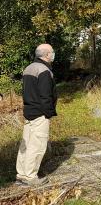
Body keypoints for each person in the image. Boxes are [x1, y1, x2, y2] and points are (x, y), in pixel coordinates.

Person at [15, 44, 57, 187]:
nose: (53, 54)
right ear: (46, 55)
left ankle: (21, 175)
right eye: (52, 52)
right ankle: (31, 177)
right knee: (37, 145)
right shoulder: (44, 70)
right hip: (40, 113)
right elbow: (46, 96)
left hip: (29, 111)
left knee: (25, 143)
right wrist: (48, 113)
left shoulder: (29, 68)